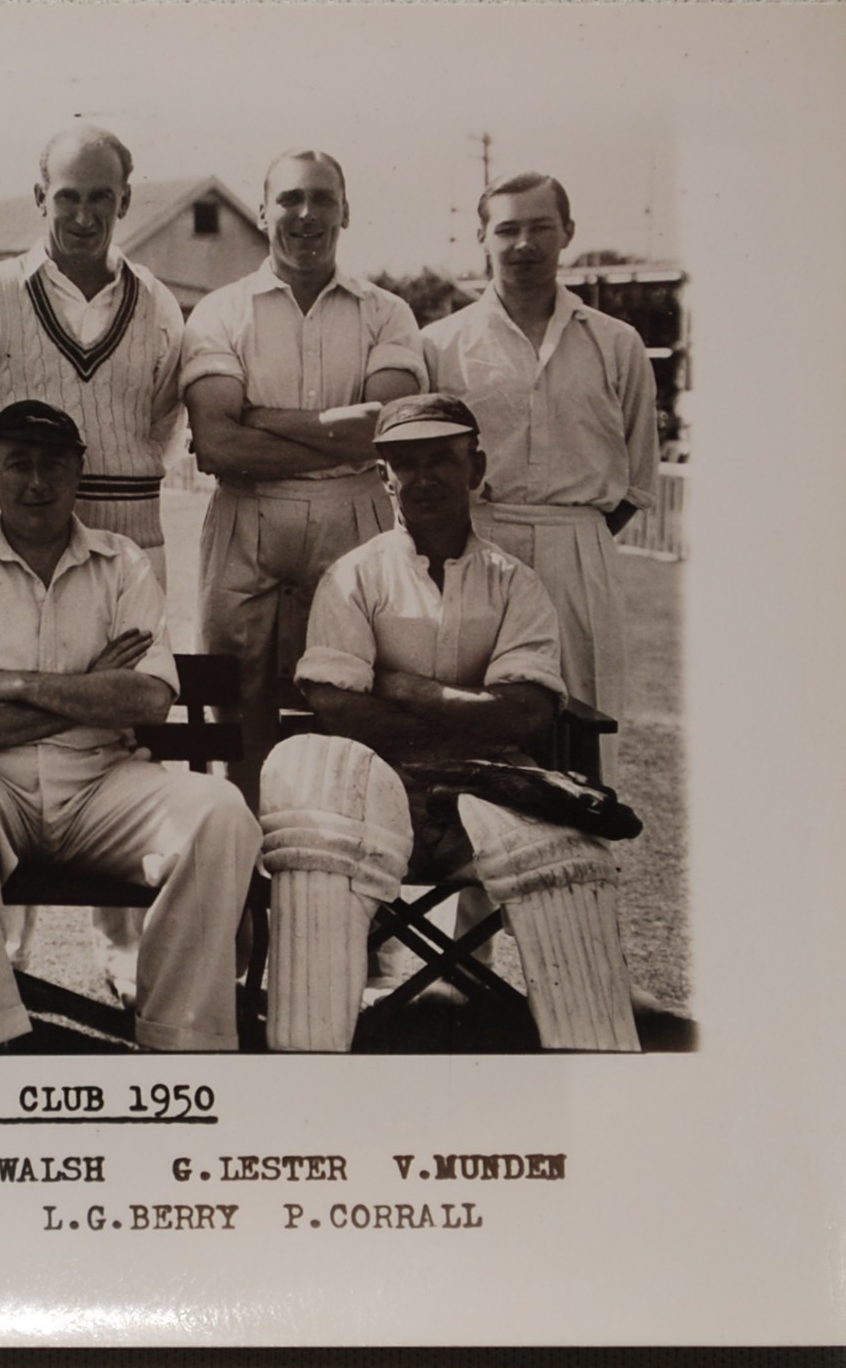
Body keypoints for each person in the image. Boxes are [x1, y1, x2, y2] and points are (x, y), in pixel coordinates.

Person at [263, 393, 640, 1052]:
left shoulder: (514, 582)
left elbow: (527, 709)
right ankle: (312, 1051)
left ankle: (591, 1057)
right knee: (316, 860)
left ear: (477, 468)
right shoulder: (353, 575)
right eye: (404, 463)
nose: (424, 477)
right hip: (379, 790)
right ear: (384, 477)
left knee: (568, 862)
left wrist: (409, 688)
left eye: (442, 458)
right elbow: (335, 704)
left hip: (487, 787)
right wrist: (466, 721)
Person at [0, 400, 260, 1052]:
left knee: (220, 810)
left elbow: (148, 698)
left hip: (101, 785)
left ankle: (179, 1033)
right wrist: (88, 686)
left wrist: (12, 683)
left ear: (79, 472)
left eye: (53, 464)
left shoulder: (122, 562)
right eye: (18, 464)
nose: (36, 482)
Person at [0, 121, 190, 998]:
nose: (83, 215)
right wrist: (34, 496)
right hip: (19, 524)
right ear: (38, 195)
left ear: (125, 201)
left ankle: (117, 942)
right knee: (9, 729)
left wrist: (108, 498)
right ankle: (1, 942)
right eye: (66, 195)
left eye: (100, 197)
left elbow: (159, 421)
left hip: (129, 530)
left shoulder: (159, 300)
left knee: (112, 727)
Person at [181, 148, 426, 807]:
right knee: (238, 705)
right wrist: (340, 437)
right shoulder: (221, 311)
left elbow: (387, 427)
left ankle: (333, 874)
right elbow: (217, 443)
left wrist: (262, 418)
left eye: (322, 198)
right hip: (245, 519)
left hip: (354, 521)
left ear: (345, 210)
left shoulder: (386, 313)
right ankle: (242, 871)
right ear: (262, 211)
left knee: (347, 700)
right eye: (289, 198)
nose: (305, 214)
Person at [421, 172, 659, 782]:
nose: (524, 243)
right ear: (482, 238)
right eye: (507, 229)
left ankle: (586, 869)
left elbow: (633, 479)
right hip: (478, 545)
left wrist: (573, 537)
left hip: (579, 552)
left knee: (585, 722)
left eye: (540, 227)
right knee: (478, 725)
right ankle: (475, 876)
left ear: (568, 233)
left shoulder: (617, 343)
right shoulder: (440, 346)